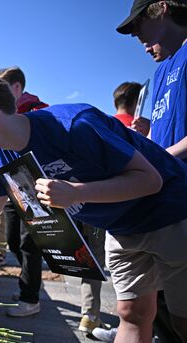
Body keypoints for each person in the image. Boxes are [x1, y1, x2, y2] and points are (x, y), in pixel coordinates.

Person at [0, 72, 187, 343]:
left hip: (171, 211)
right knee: (132, 314)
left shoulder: (74, 125)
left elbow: (151, 180)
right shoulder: (4, 161)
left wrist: (75, 193)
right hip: (123, 228)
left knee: (180, 321)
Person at [107, 1, 187, 341]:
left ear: (162, 8)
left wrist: (159, 159)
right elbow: (161, 140)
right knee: (141, 312)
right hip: (161, 206)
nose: (136, 36)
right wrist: (145, 141)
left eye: (139, 25)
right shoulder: (159, 72)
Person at [0, 67, 49, 316]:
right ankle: (28, 283)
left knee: (29, 243)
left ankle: (30, 298)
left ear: (16, 88)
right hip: (11, 186)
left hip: (34, 190)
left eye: (1, 90)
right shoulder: (3, 116)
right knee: (13, 238)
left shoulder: (39, 110)